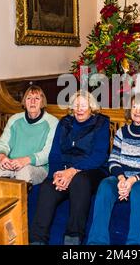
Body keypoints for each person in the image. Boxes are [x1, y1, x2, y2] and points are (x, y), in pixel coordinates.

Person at [29, 90, 110, 245]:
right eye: (76, 105)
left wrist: (72, 171)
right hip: (64, 170)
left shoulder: (101, 123)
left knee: (80, 181)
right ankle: (37, 240)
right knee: (47, 187)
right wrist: (56, 175)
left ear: (91, 107)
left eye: (84, 105)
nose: (79, 108)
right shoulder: (65, 122)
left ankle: (73, 238)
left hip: (92, 171)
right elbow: (55, 152)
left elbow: (99, 156)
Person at [87, 93, 140, 245]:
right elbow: (113, 161)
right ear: (129, 110)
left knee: (139, 188)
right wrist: (122, 179)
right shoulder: (121, 132)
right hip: (125, 180)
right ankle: (97, 242)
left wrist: (133, 180)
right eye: (134, 106)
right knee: (104, 185)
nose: (138, 111)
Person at [0, 85, 58, 188]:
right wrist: (2, 157)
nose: (32, 102)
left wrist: (25, 160)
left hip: (38, 167)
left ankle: (20, 203)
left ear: (42, 102)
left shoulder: (52, 122)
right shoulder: (14, 119)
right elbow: (3, 143)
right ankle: (0, 203)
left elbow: (48, 153)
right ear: (24, 102)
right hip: (13, 162)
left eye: (37, 98)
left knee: (23, 172)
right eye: (29, 98)